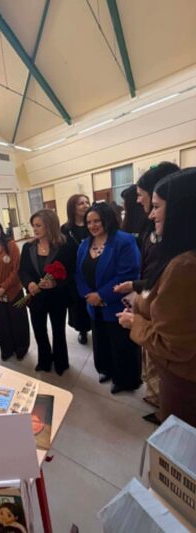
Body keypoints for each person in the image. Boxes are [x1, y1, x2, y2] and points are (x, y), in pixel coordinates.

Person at [118, 168, 196, 426]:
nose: (151, 214)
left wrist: (134, 322)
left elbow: (173, 346)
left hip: (184, 381)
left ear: (181, 211)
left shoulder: (185, 266)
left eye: (157, 206)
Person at [114, 162, 180, 410]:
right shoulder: (152, 228)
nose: (142, 203)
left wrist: (136, 319)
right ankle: (158, 401)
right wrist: (136, 287)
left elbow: (163, 281)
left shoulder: (182, 258)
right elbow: (153, 275)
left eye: (145, 197)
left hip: (163, 323)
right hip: (149, 304)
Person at [76, 202, 141, 393]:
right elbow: (78, 273)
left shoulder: (124, 241)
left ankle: (125, 380)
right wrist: (88, 295)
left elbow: (128, 274)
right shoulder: (85, 244)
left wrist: (102, 295)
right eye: (89, 222)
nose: (92, 225)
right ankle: (105, 369)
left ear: (107, 219)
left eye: (97, 221)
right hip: (93, 305)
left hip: (117, 305)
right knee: (101, 340)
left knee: (121, 343)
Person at [19, 209, 75, 375]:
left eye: (38, 226)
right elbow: (23, 270)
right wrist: (29, 283)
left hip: (57, 297)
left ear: (50, 225)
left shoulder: (65, 246)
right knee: (39, 330)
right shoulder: (28, 247)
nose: (34, 229)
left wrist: (56, 283)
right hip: (36, 297)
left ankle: (61, 362)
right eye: (33, 225)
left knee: (58, 331)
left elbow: (72, 272)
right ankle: (44, 361)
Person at [0, 215, 30, 361]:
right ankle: (7, 348)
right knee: (1, 323)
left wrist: (3, 287)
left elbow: (16, 269)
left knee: (18, 321)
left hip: (13, 292)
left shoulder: (10, 245)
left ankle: (21, 347)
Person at [60, 194, 91, 345]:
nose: (85, 205)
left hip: (92, 270)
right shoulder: (66, 229)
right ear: (72, 208)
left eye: (87, 202)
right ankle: (82, 330)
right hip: (74, 273)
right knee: (78, 304)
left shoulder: (92, 224)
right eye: (81, 203)